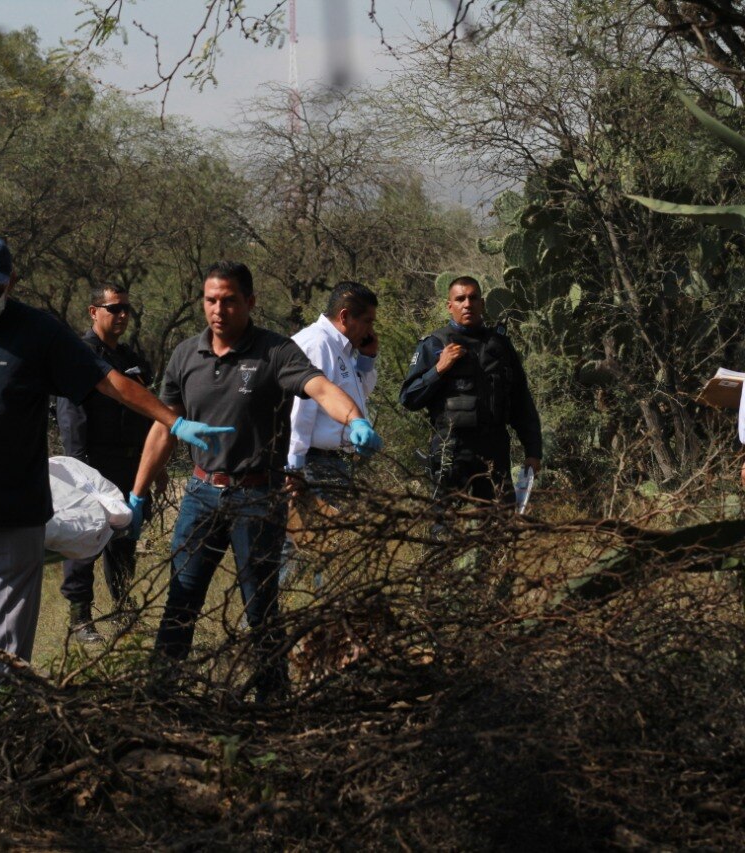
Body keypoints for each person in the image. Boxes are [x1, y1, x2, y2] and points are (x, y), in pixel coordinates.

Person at [0, 233, 230, 673]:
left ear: (11, 282)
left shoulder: (37, 333)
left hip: (13, 517)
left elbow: (106, 380)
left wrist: (172, 420)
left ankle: (3, 724)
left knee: (9, 649)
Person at [129, 261, 383, 700]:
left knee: (261, 605)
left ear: (249, 302)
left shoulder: (276, 352)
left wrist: (355, 420)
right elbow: (163, 427)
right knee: (181, 598)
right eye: (211, 300)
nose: (219, 310)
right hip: (201, 494)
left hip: (258, 497)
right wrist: (136, 494)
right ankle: (161, 694)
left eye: (229, 300)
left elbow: (320, 388)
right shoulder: (186, 355)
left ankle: (272, 698)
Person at [55, 282, 155, 643]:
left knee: (125, 541)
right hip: (93, 465)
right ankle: (80, 619)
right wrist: (80, 471)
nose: (122, 315)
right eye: (114, 308)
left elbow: (147, 413)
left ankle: (123, 612)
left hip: (131, 464)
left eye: (126, 308)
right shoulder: (79, 355)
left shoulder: (131, 359)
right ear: (94, 312)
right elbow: (71, 416)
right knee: (85, 539)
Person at [399, 275, 542, 510]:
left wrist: (533, 451)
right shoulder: (435, 344)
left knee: (499, 526)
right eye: (460, 299)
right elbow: (409, 398)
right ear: (450, 306)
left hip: (494, 448)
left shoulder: (500, 346)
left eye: (473, 298)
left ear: (482, 304)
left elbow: (521, 402)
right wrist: (439, 369)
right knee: (444, 527)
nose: (468, 304)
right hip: (452, 448)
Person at [283, 281, 381, 586]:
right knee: (324, 549)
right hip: (314, 464)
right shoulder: (316, 344)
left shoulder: (340, 347)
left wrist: (366, 359)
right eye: (366, 321)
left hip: (331, 463)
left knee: (318, 549)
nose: (368, 330)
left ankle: (277, 623)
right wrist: (294, 469)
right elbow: (300, 412)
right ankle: (264, 624)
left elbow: (357, 394)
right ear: (344, 316)